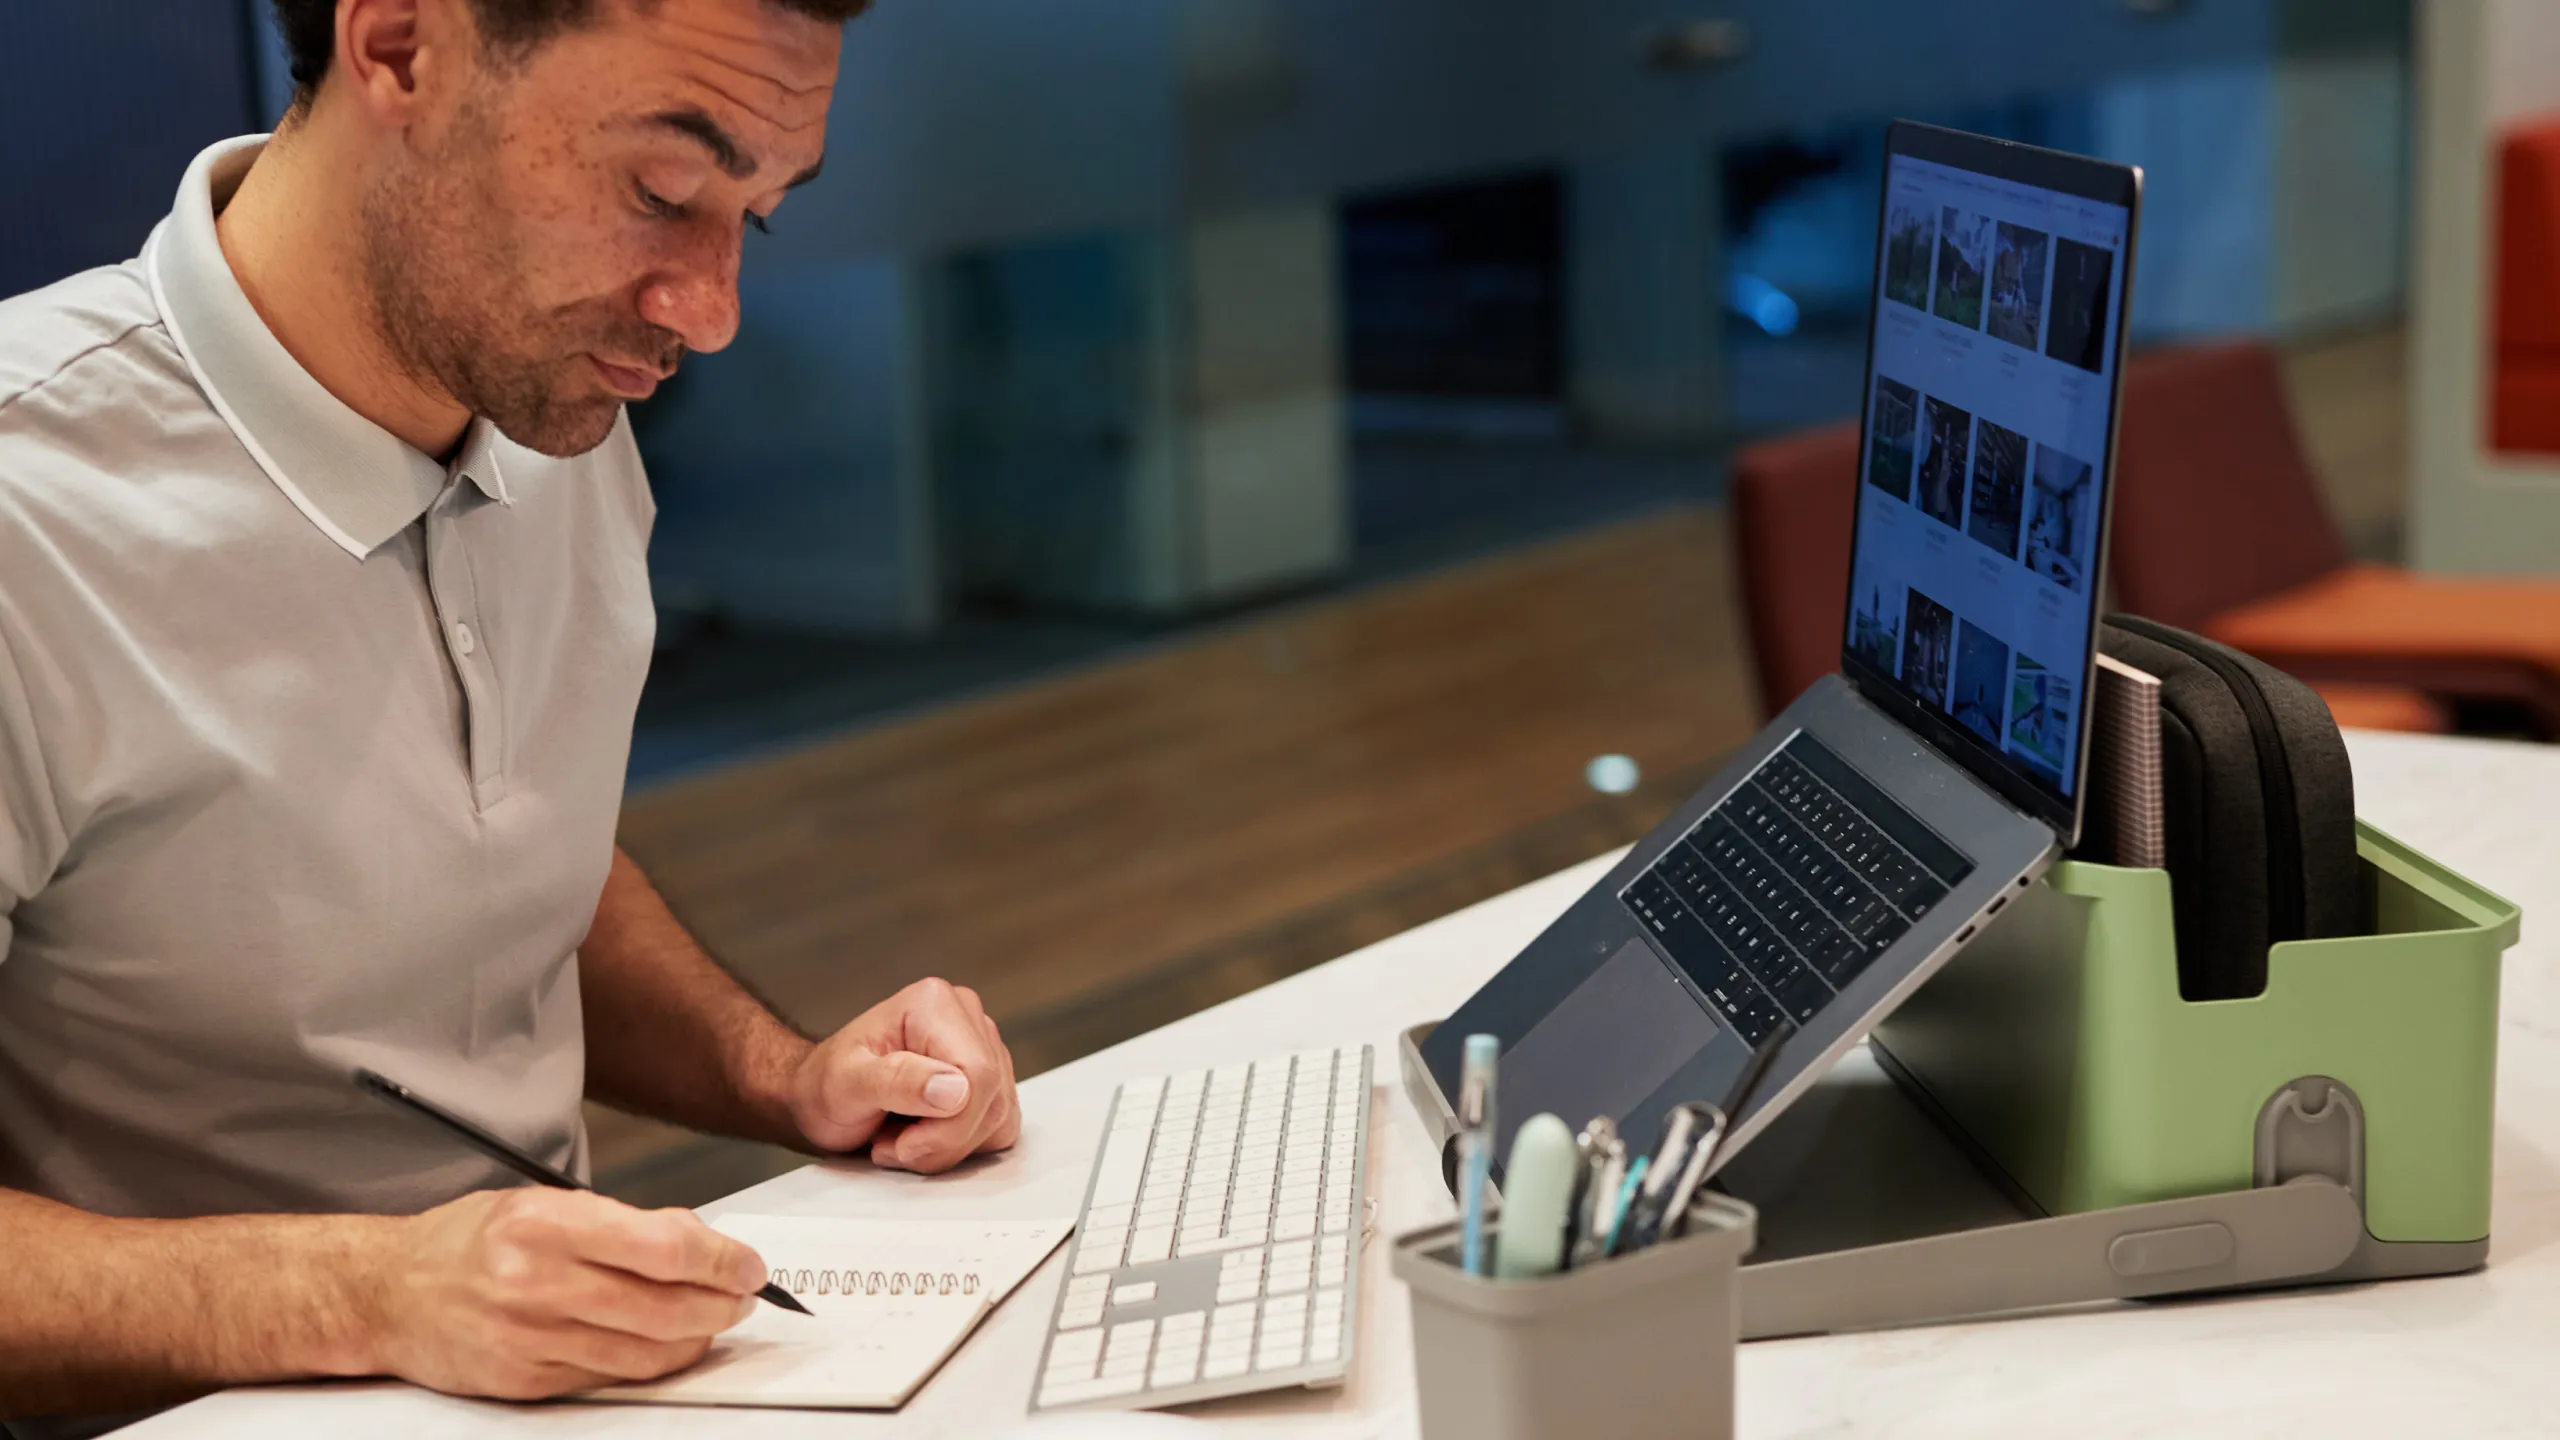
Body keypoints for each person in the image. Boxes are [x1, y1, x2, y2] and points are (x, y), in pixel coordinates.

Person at [0, 0, 1021, 1430]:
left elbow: (513, 853)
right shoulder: (27, 514)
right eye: (659, 193)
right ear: (404, 45)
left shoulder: (551, 406)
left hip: (564, 1379)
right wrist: (372, 1292)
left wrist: (788, 1078)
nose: (711, 311)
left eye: (758, 219)